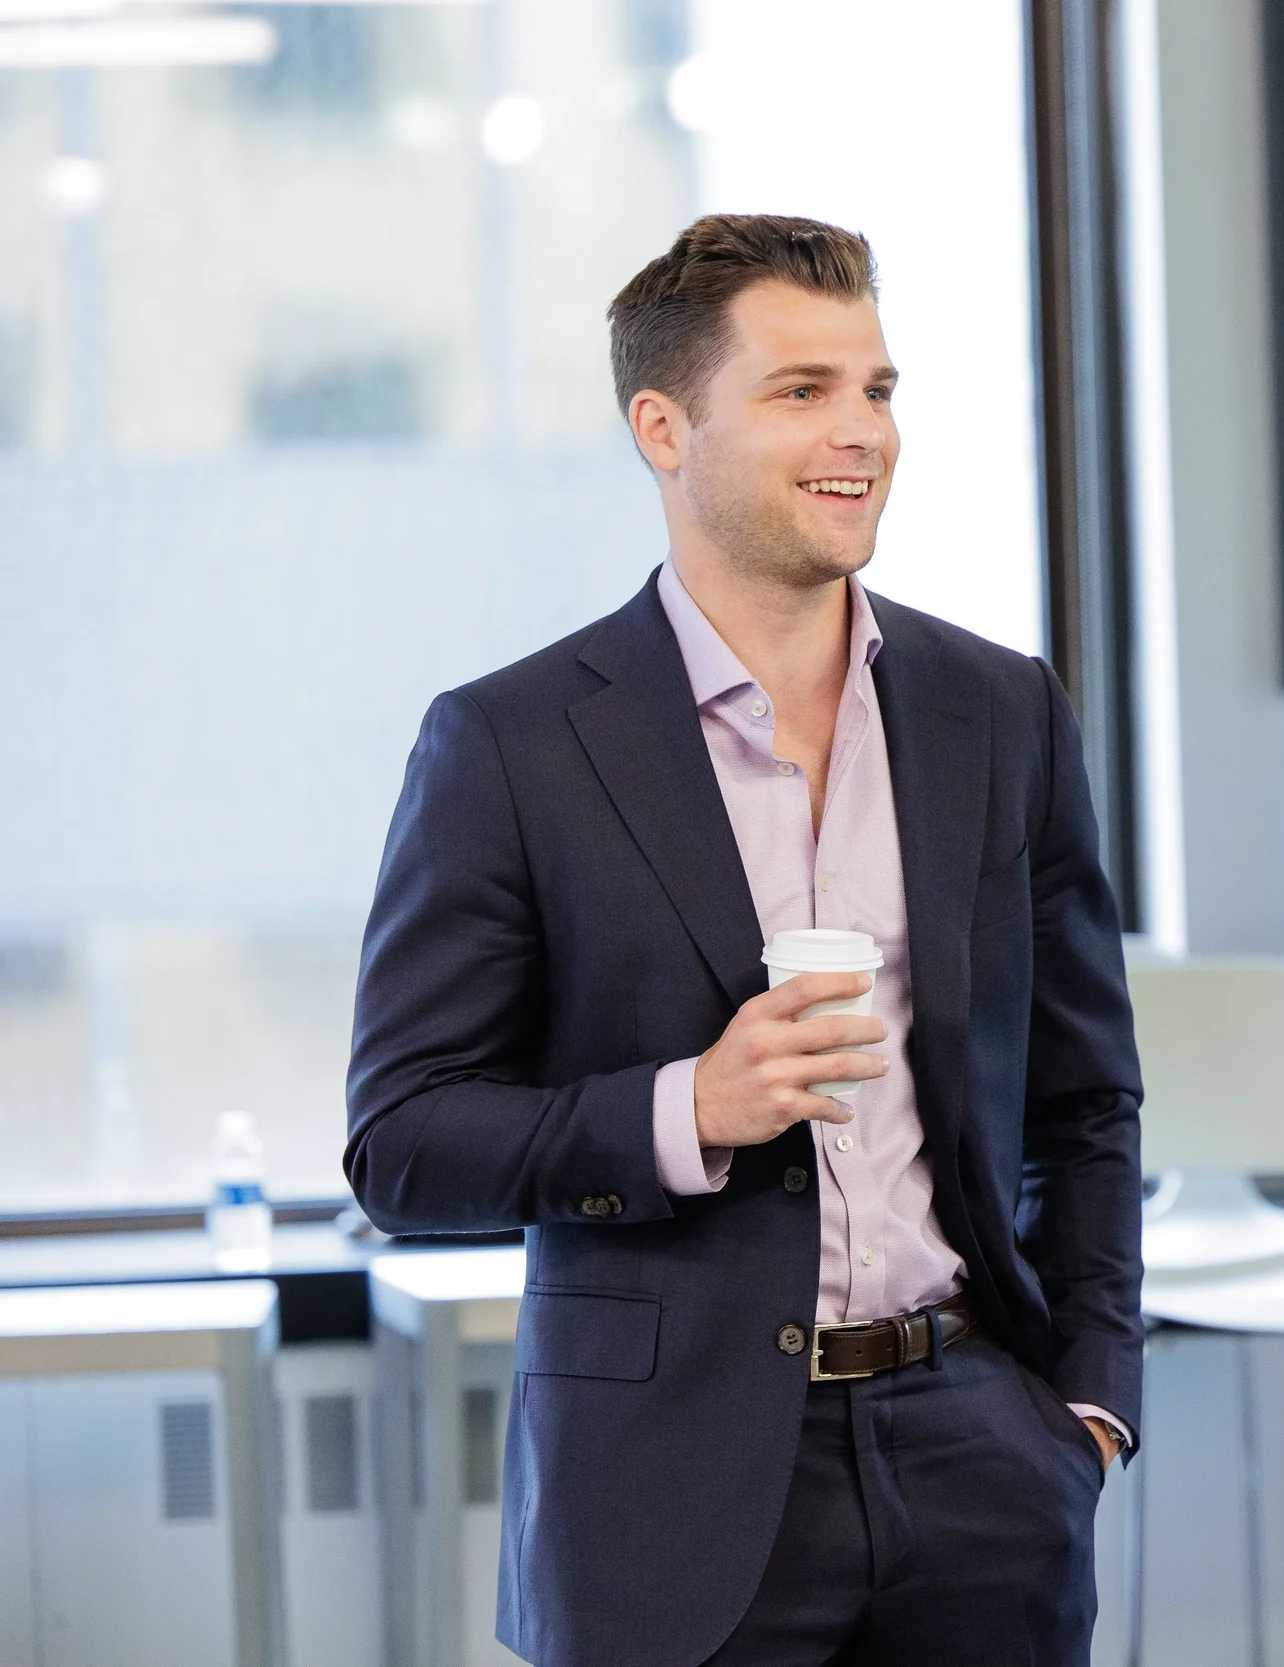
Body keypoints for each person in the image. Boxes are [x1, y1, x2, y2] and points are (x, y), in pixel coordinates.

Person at [345, 214, 1142, 1667]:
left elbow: (1086, 1097)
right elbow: (401, 1142)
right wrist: (683, 1108)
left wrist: (1086, 1407)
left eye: (878, 389)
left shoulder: (1000, 710)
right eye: (801, 391)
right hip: (664, 1494)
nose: (862, 433)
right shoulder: (511, 745)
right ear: (663, 426)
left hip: (982, 1455)